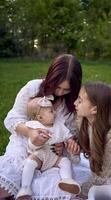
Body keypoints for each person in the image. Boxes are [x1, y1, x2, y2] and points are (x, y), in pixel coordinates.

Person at [0, 54, 83, 200]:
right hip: (24, 144)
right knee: (6, 185)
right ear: (51, 77)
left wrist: (62, 145)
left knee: (57, 190)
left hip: (51, 155)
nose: (60, 92)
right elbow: (12, 118)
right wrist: (30, 132)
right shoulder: (33, 88)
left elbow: (69, 133)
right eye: (57, 86)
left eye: (67, 89)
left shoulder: (71, 104)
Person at [74, 81, 111, 200]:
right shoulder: (81, 118)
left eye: (80, 101)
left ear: (94, 110)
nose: (74, 103)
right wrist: (74, 148)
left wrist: (86, 188)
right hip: (97, 163)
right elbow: (82, 145)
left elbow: (105, 170)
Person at [16, 95, 81, 199]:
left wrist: (69, 141)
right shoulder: (34, 126)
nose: (55, 113)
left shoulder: (59, 125)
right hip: (39, 156)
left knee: (65, 161)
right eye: (51, 111)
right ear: (40, 117)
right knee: (29, 162)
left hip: (54, 157)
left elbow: (67, 136)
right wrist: (38, 140)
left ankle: (67, 180)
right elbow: (32, 142)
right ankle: (25, 187)